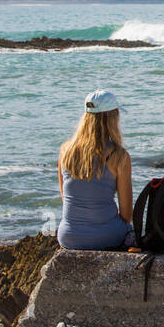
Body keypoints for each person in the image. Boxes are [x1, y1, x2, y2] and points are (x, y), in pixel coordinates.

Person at [56, 90, 136, 251]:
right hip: (106, 237)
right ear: (114, 118)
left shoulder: (66, 150)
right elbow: (127, 216)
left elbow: (67, 198)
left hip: (68, 236)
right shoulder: (118, 156)